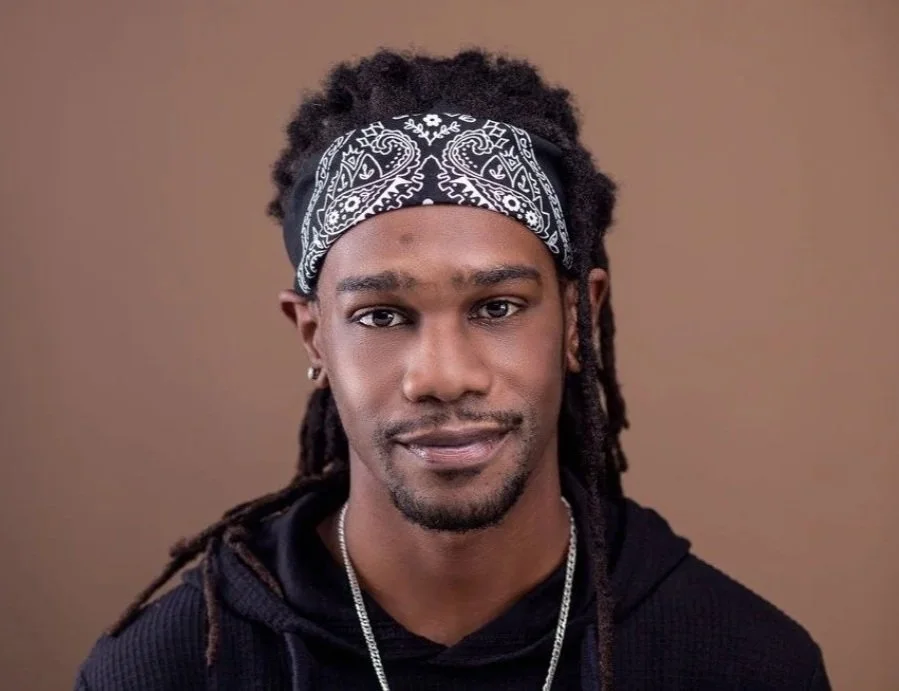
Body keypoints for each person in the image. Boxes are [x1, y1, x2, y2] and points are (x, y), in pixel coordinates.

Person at [75, 49, 830, 690]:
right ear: (312, 336)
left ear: (576, 318)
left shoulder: (742, 662)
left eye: (497, 307)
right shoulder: (170, 668)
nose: (441, 375)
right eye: (381, 315)